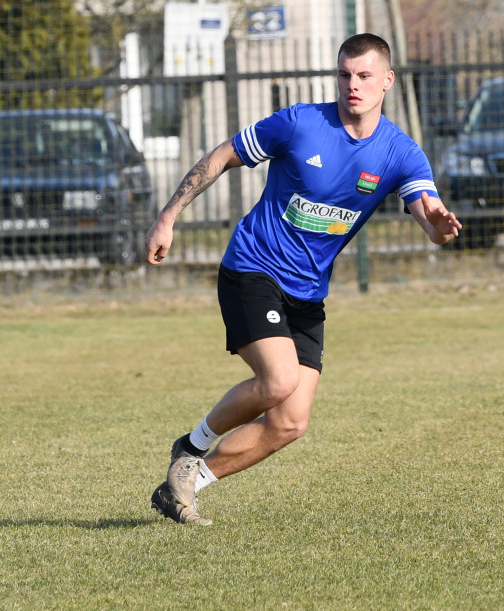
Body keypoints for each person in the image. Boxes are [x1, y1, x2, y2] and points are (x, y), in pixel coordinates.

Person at [145, 33, 462, 525]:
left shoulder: (401, 153)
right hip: (253, 268)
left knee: (291, 421)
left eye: (363, 76)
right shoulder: (299, 123)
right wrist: (169, 215)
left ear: (387, 81)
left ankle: (185, 486)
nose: (352, 85)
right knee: (278, 381)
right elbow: (224, 154)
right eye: (344, 75)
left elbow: (429, 217)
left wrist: (439, 229)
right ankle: (190, 447)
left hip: (307, 293)